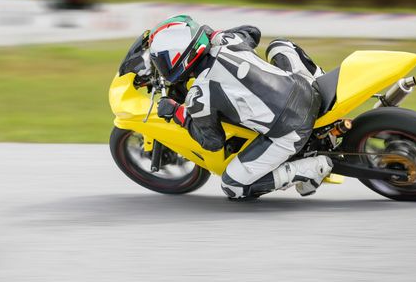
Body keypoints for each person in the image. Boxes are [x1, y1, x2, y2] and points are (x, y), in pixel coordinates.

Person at [132, 14, 333, 200]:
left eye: (163, 61)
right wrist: (213, 34)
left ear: (180, 59)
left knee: (233, 187)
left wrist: (178, 113)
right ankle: (322, 86)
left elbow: (213, 142)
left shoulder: (200, 95)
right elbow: (253, 32)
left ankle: (309, 170)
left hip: (291, 129)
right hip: (306, 87)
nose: (161, 66)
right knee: (279, 44)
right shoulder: (228, 40)